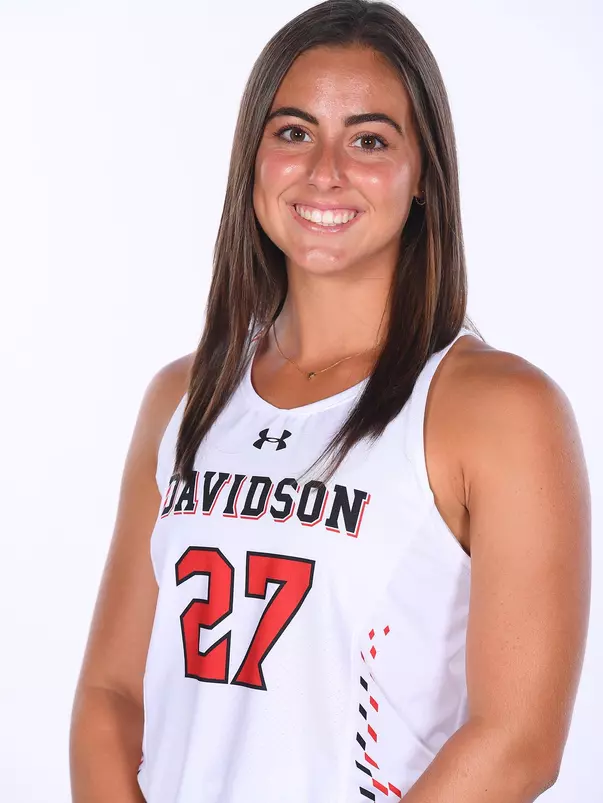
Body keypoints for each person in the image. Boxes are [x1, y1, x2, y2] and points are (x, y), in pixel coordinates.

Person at [69, 1, 591, 801]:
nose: (324, 171)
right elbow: (110, 695)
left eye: (369, 140)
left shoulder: (500, 410)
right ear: (253, 158)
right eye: (293, 132)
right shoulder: (183, 395)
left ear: (424, 175)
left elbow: (517, 741)